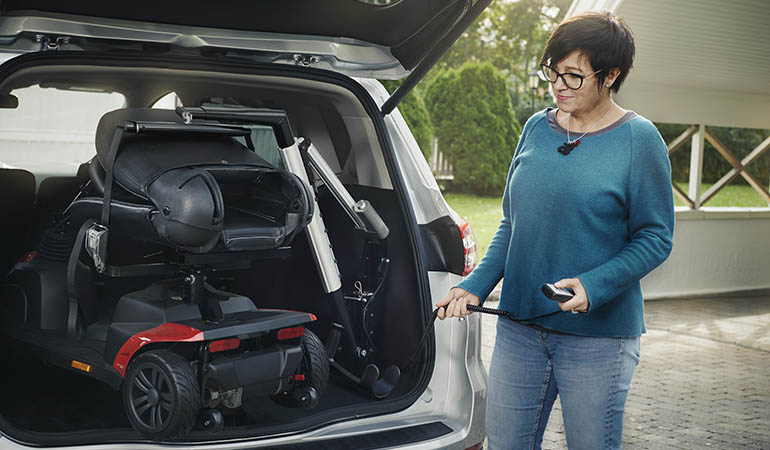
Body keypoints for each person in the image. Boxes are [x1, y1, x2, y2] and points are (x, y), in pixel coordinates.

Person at [435, 11, 675, 450]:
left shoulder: (640, 141)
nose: (559, 85)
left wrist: (593, 284)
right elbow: (513, 222)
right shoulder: (535, 129)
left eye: (573, 75)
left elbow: (656, 237)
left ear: (611, 75)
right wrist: (475, 286)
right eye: (552, 71)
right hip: (519, 329)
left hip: (598, 340)